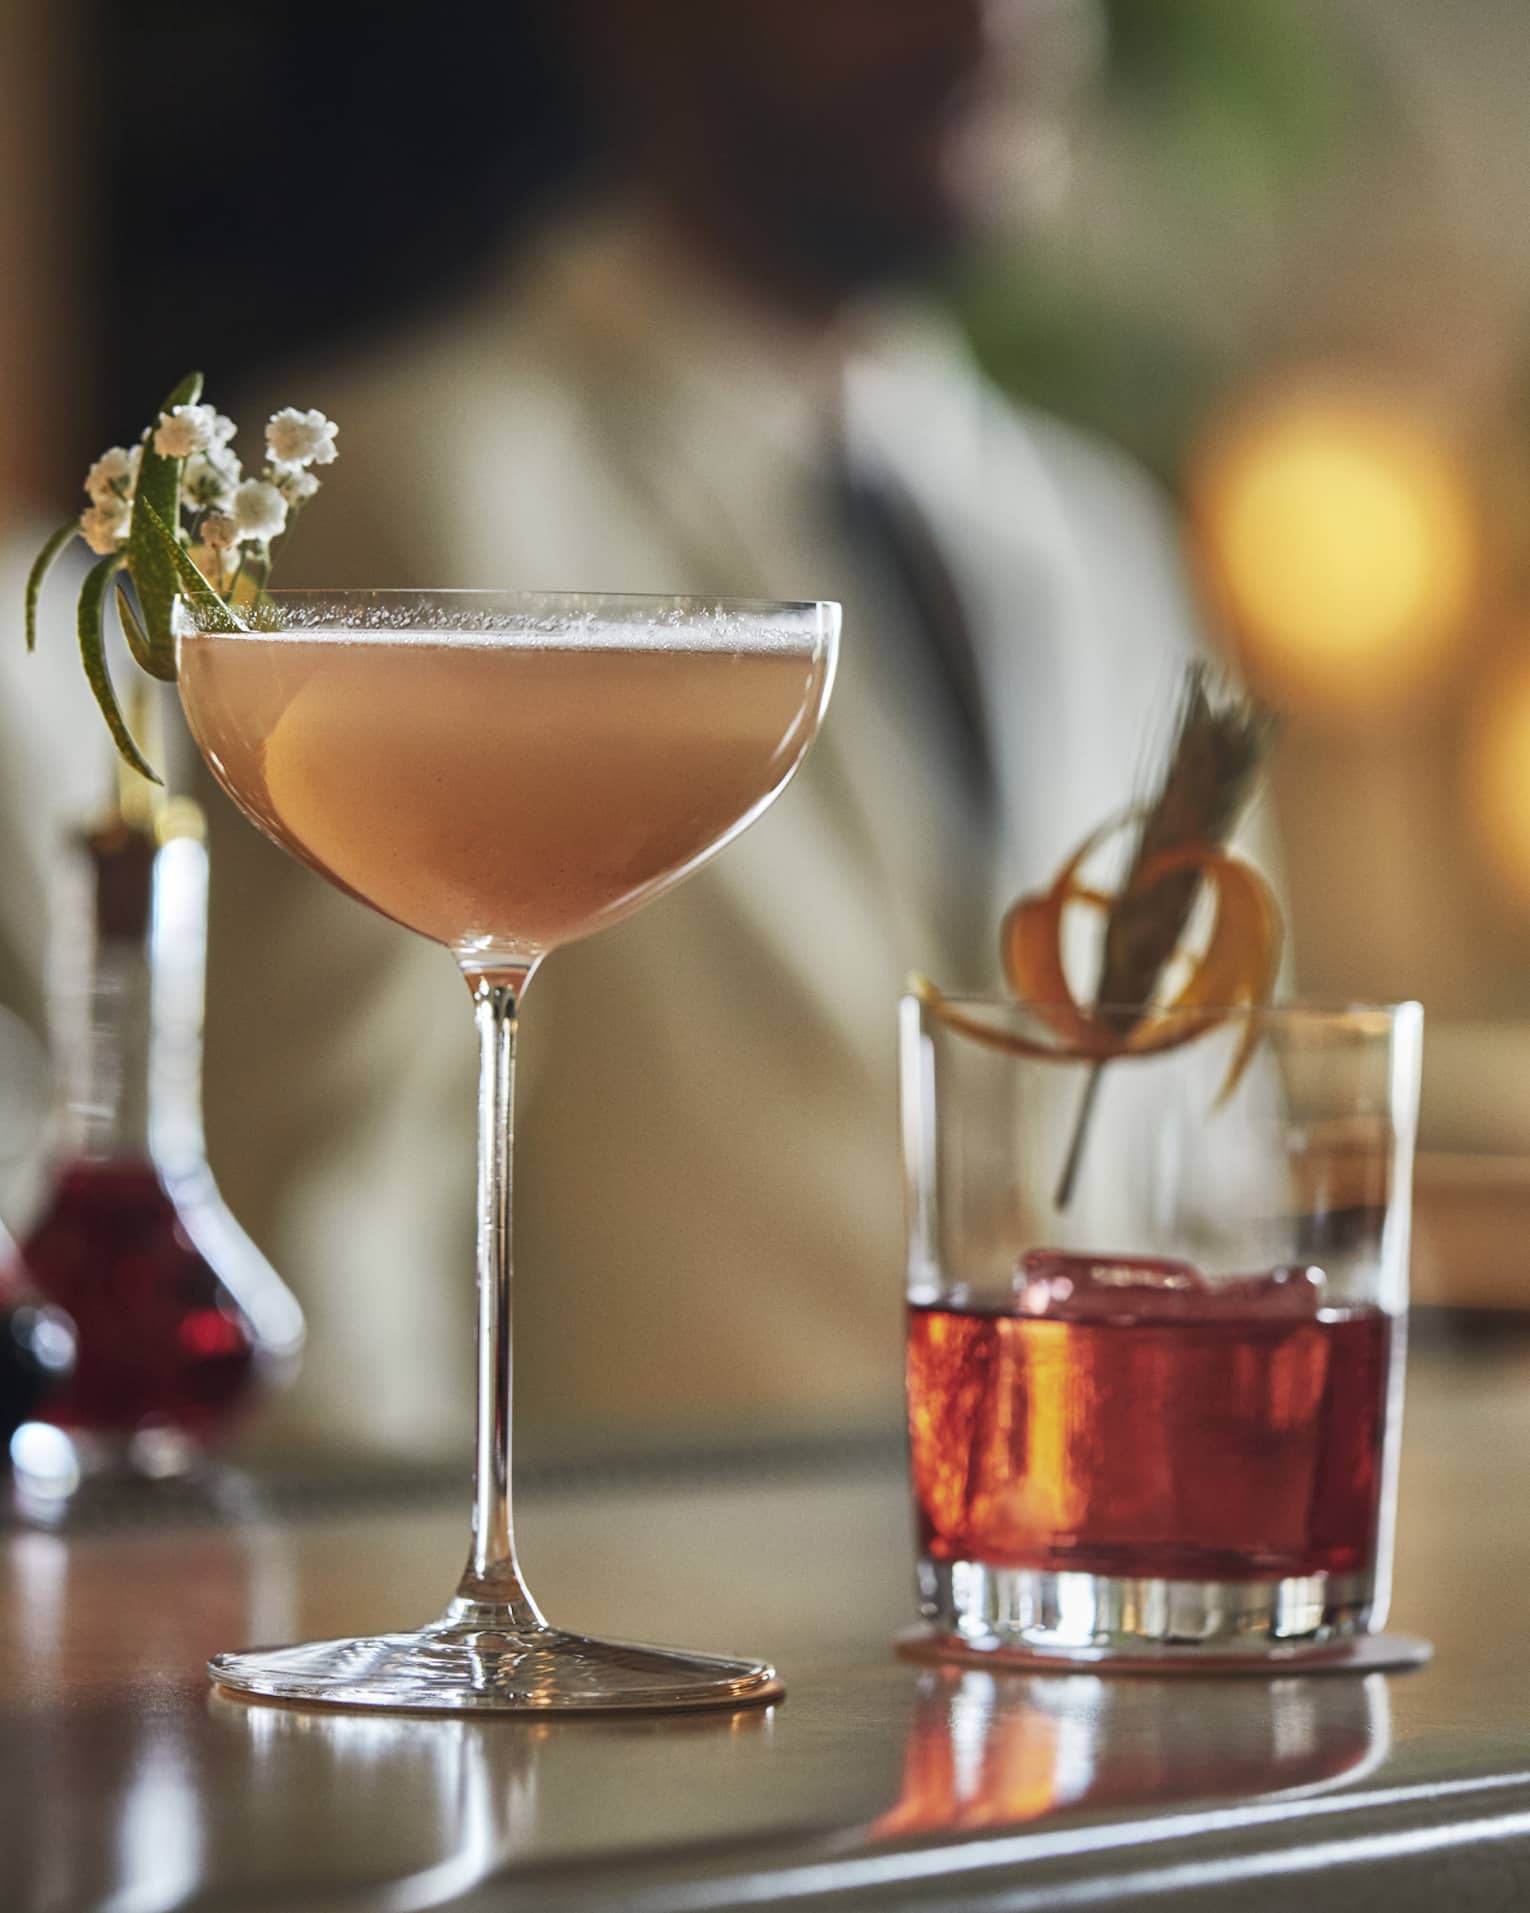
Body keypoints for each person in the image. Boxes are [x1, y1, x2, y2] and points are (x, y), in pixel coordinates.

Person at [37, 2, 1216, 1454]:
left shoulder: (1100, 543)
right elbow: (328, 1252)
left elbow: (1209, 1138)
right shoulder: (415, 493)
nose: (987, 23)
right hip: (638, 1644)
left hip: (1060, 1621)